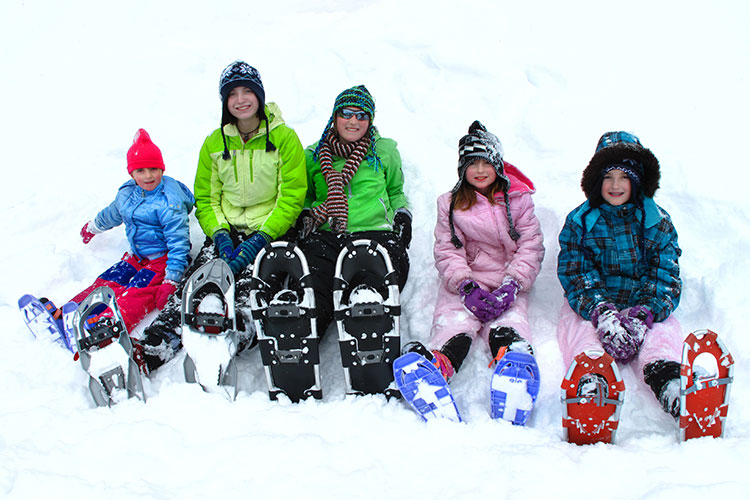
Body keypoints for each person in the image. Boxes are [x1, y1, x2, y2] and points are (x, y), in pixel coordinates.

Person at [140, 60, 306, 372]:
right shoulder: (214, 143)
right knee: (199, 279)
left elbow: (292, 195)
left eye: (247, 92)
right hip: (227, 231)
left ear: (259, 95)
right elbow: (206, 196)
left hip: (272, 231)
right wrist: (219, 234)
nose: (241, 100)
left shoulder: (285, 139)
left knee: (254, 283)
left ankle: (237, 331)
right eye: (233, 94)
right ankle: (160, 340)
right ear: (225, 102)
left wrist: (261, 238)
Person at [403, 121, 544, 397]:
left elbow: (531, 245)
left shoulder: (517, 200)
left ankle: (514, 365)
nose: (479, 171)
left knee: (509, 322)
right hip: (466, 281)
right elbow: (447, 250)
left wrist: (512, 285)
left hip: (507, 279)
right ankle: (439, 364)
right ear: (462, 169)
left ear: (498, 165)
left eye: (486, 163)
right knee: (454, 322)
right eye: (472, 163)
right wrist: (465, 286)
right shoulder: (451, 204)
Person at [557, 131, 684, 420]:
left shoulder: (657, 222)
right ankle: (591, 383)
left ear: (637, 181)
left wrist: (645, 314)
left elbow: (666, 275)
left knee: (661, 334)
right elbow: (576, 272)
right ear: (596, 181)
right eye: (608, 177)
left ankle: (669, 380)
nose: (615, 185)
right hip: (594, 305)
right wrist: (601, 312)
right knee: (580, 332)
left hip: (644, 305)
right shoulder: (580, 222)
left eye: (623, 177)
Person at [29, 128, 194, 350]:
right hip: (137, 256)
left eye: (154, 169)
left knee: (137, 291)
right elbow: (113, 213)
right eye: (141, 170)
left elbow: (179, 244)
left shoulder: (169, 202)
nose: (148, 176)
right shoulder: (127, 193)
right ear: (131, 173)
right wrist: (93, 227)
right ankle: (72, 312)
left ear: (162, 169)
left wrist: (171, 280)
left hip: (163, 261)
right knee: (108, 281)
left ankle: (103, 326)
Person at [296, 84, 411, 338]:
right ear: (334, 117)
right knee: (313, 279)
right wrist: (305, 214)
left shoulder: (383, 151)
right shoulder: (313, 154)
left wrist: (402, 214)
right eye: (346, 113)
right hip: (327, 234)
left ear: (370, 120)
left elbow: (395, 191)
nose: (353, 121)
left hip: (375, 234)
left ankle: (369, 311)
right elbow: (307, 197)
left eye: (362, 115)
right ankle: (305, 324)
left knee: (385, 269)